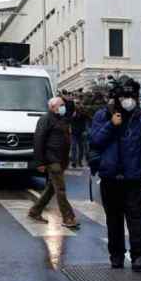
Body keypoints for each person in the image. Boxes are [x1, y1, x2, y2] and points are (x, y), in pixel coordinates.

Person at [88, 76, 141, 270]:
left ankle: (139, 256)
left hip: (132, 175)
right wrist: (111, 125)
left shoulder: (140, 118)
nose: (129, 100)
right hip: (110, 175)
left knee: (136, 216)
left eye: (132, 96)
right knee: (114, 218)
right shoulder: (103, 115)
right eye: (125, 96)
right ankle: (116, 255)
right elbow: (95, 141)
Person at [30, 96, 79, 229]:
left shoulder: (61, 119)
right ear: (52, 107)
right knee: (60, 189)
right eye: (61, 105)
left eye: (63, 104)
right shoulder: (45, 119)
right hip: (52, 159)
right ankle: (68, 217)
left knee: (52, 188)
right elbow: (38, 141)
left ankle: (35, 211)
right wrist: (39, 162)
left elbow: (71, 109)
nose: (63, 107)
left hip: (61, 160)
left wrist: (68, 100)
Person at [70, 101, 88, 168]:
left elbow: (85, 121)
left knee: (81, 148)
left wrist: (84, 130)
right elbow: (71, 122)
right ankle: (74, 162)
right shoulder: (73, 115)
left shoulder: (83, 115)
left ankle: (79, 161)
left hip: (80, 133)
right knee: (74, 147)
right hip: (75, 133)